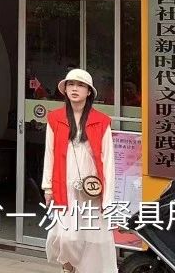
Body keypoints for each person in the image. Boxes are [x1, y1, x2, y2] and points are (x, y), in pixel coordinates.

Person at [42, 68, 115, 273]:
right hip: (63, 185)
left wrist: (108, 199)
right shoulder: (55, 118)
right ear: (65, 89)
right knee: (64, 237)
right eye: (71, 85)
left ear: (89, 92)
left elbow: (108, 161)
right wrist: (48, 187)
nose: (75, 89)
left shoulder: (101, 121)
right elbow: (49, 153)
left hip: (92, 188)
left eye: (81, 85)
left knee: (91, 236)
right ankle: (68, 267)